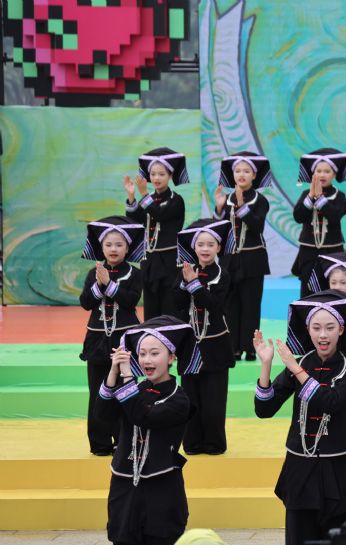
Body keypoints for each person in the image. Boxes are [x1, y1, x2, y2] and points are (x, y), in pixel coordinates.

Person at [253, 290, 346, 545]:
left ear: (341, 329)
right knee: (298, 539)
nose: (322, 335)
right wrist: (266, 364)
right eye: (316, 328)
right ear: (308, 330)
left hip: (339, 466)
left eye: (330, 328)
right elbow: (264, 409)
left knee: (338, 541)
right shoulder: (300, 363)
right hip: (301, 467)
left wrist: (296, 369)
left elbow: (332, 402)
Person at [95, 315, 196, 545]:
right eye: (141, 354)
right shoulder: (135, 389)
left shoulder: (180, 400)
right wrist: (113, 372)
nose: (146, 360)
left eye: (154, 353)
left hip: (162, 487)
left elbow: (143, 416)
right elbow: (103, 415)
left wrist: (127, 376)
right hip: (124, 485)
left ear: (171, 357)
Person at [80, 216, 145, 455]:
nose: (113, 249)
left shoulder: (135, 274)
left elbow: (130, 301)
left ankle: (125, 441)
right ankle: (100, 442)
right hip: (97, 340)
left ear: (127, 248)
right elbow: (86, 303)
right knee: (98, 390)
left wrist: (109, 284)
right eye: (108, 244)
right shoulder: (93, 273)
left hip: (125, 339)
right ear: (101, 247)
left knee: (125, 389)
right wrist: (99, 285)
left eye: (119, 244)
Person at [174, 218, 235, 455]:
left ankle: (214, 443)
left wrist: (195, 285)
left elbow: (216, 306)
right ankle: (192, 443)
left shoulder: (223, 275)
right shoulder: (184, 272)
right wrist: (185, 283)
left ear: (218, 247)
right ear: (194, 247)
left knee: (214, 400)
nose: (205, 249)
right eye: (200, 244)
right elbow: (177, 303)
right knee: (190, 398)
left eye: (210, 244)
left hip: (216, 345)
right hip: (190, 345)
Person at [215, 151, 274, 361]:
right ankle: (233, 347)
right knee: (230, 304)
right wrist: (219, 209)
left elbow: (258, 227)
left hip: (252, 259)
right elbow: (219, 230)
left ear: (254, 175)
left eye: (246, 171)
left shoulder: (260, 200)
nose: (241, 174)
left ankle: (250, 347)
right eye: (238, 170)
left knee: (250, 303)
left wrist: (242, 209)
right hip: (229, 259)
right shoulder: (227, 198)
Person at [124, 147, 189, 319]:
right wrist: (131, 197)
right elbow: (134, 221)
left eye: (161, 174)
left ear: (170, 175)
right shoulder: (148, 199)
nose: (156, 178)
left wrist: (144, 194)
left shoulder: (176, 200)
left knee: (170, 305)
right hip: (149, 260)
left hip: (170, 259)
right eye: (153, 174)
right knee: (151, 306)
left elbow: (160, 214)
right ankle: (151, 335)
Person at [292, 148, 346, 297]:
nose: (322, 174)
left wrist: (320, 199)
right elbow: (298, 217)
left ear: (334, 174)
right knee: (307, 291)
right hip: (308, 251)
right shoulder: (306, 194)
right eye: (318, 171)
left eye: (327, 171)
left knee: (331, 289)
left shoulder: (340, 196)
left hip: (333, 250)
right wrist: (311, 197)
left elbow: (335, 217)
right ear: (313, 174)